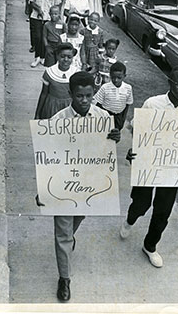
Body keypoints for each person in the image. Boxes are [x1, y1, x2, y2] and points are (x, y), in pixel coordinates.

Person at [36, 71, 121, 302]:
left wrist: (115, 136)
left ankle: (66, 241)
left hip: (89, 182)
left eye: (88, 96)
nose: (84, 100)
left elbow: (108, 148)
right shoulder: (58, 121)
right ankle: (64, 278)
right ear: (70, 94)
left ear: (93, 94)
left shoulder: (103, 118)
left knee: (78, 217)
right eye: (79, 96)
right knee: (63, 230)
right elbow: (47, 156)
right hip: (64, 182)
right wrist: (43, 187)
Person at [120, 65, 178, 268]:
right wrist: (133, 151)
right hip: (149, 164)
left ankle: (150, 246)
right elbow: (137, 129)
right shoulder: (152, 104)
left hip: (172, 170)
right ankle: (130, 220)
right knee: (140, 203)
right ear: (170, 82)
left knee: (163, 211)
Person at [27, 0, 62, 68]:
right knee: (37, 37)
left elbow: (57, 5)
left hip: (48, 19)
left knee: (45, 38)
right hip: (36, 17)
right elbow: (30, 1)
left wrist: (55, 16)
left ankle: (42, 57)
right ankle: (37, 57)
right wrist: (38, 9)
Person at [34, 43, 78, 120]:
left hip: (69, 108)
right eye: (62, 56)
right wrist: (38, 113)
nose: (66, 59)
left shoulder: (75, 72)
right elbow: (44, 93)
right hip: (52, 106)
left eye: (69, 57)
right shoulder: (50, 72)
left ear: (73, 58)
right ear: (57, 56)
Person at [93, 61, 133, 130]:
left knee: (114, 136)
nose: (116, 80)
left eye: (119, 78)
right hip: (105, 115)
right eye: (113, 77)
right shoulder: (105, 87)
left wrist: (122, 119)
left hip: (118, 117)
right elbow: (98, 104)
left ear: (124, 76)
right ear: (110, 75)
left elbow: (127, 104)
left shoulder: (128, 88)